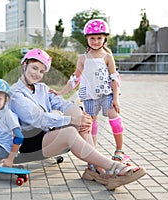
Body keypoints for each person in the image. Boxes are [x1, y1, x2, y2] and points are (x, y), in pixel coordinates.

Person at [9, 48, 146, 190]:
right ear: (24, 65)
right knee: (70, 131)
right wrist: (71, 120)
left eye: (41, 71)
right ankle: (114, 167)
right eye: (34, 68)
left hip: (45, 136)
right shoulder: (15, 93)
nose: (37, 74)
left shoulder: (42, 88)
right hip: (26, 144)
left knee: (81, 118)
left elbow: (62, 103)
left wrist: (79, 116)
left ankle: (95, 170)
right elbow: (38, 119)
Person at [50, 19, 126, 162]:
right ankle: (93, 153)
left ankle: (119, 149)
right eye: (92, 38)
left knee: (114, 116)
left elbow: (114, 78)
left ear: (104, 39)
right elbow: (75, 79)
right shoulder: (83, 58)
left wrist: (116, 98)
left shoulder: (107, 57)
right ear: (87, 39)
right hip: (90, 97)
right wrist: (61, 93)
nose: (96, 41)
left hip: (107, 94)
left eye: (99, 38)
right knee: (90, 125)